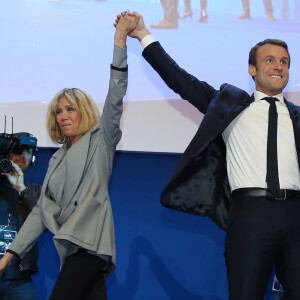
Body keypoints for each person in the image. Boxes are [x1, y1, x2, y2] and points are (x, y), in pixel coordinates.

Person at [116, 11, 300, 300]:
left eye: (284, 62)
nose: (279, 66)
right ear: (251, 69)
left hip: (296, 216)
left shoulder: (298, 117)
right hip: (251, 215)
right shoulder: (231, 105)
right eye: (270, 60)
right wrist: (143, 34)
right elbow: (180, 80)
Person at [0, 13, 138, 300]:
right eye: (58, 111)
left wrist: (119, 41)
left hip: (89, 246)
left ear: (83, 111)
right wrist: (10, 255)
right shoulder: (57, 159)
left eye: (70, 109)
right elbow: (40, 213)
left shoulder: (101, 140)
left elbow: (116, 95)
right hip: (72, 249)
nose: (63, 116)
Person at [0, 132, 41, 300]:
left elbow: (42, 222)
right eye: (16, 151)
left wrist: (21, 189)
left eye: (27, 152)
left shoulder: (35, 191)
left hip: (18, 276)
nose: (21, 157)